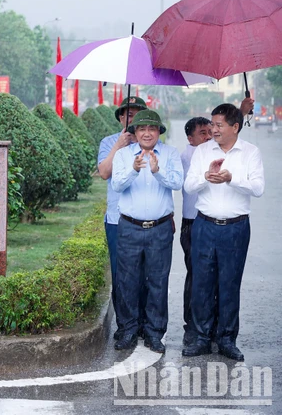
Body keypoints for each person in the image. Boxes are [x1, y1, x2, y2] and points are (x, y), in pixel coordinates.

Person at [182, 103, 264, 362]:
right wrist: (206, 176)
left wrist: (231, 179)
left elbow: (258, 188)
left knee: (230, 283)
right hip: (204, 225)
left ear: (235, 127)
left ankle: (227, 339)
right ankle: (201, 338)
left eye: (219, 125)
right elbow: (189, 185)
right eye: (212, 124)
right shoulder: (202, 151)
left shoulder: (250, 152)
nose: (213, 130)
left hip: (236, 228)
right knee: (202, 284)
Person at [111, 110, 183, 354]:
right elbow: (117, 184)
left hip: (160, 228)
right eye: (142, 129)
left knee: (158, 282)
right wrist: (133, 168)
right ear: (135, 132)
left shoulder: (170, 154)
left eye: (152, 129)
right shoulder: (122, 155)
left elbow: (177, 183)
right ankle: (128, 330)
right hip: (129, 227)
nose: (147, 133)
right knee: (126, 281)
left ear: (158, 132)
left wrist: (156, 170)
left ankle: (154, 332)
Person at [97, 96, 147, 339]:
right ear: (120, 118)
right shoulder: (108, 143)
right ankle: (125, 325)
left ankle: (145, 324)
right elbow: (104, 172)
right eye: (128, 114)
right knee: (121, 275)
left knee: (146, 274)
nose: (132, 118)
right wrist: (119, 145)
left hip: (145, 219)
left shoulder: (150, 143)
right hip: (117, 219)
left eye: (138, 114)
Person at [179, 116, 213, 346]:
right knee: (196, 276)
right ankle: (192, 326)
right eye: (203, 133)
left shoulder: (213, 152)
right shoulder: (188, 155)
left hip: (211, 221)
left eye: (211, 131)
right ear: (190, 139)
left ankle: (213, 325)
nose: (209, 137)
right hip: (192, 223)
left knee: (215, 276)